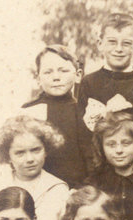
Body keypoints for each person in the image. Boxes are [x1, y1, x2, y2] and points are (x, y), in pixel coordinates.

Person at [76, 12, 133, 170]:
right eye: (112, 42)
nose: (118, 49)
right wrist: (94, 171)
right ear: (100, 44)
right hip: (100, 171)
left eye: (126, 43)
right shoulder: (89, 83)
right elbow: (83, 136)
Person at [20, 45, 86, 186]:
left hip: (78, 187)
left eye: (63, 71)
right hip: (39, 186)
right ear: (38, 79)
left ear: (78, 75)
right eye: (48, 72)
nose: (56, 77)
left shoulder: (84, 110)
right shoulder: (29, 111)